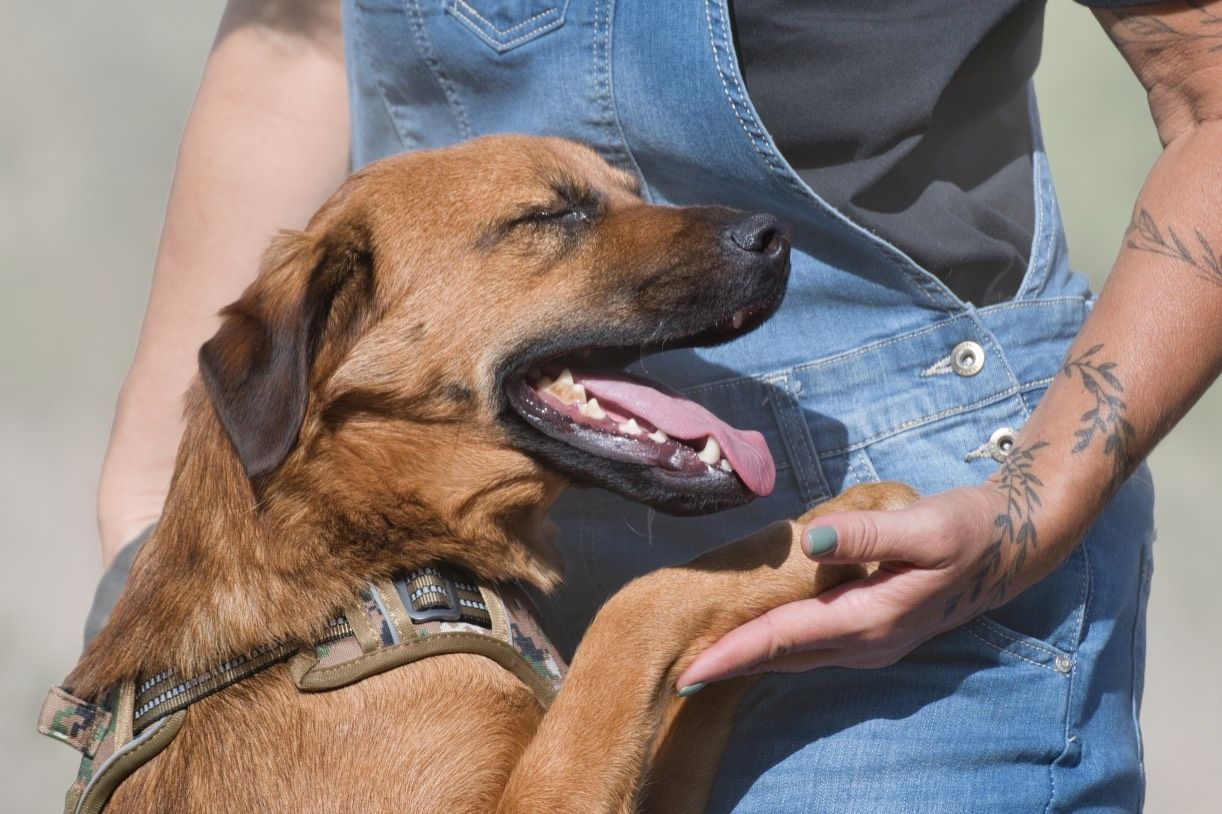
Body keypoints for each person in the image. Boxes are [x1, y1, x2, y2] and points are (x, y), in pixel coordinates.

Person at [92, 0, 1221, 810]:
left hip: (924, 613)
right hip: (507, 588)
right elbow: (298, 35)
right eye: (555, 219)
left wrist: (1037, 501)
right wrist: (147, 519)